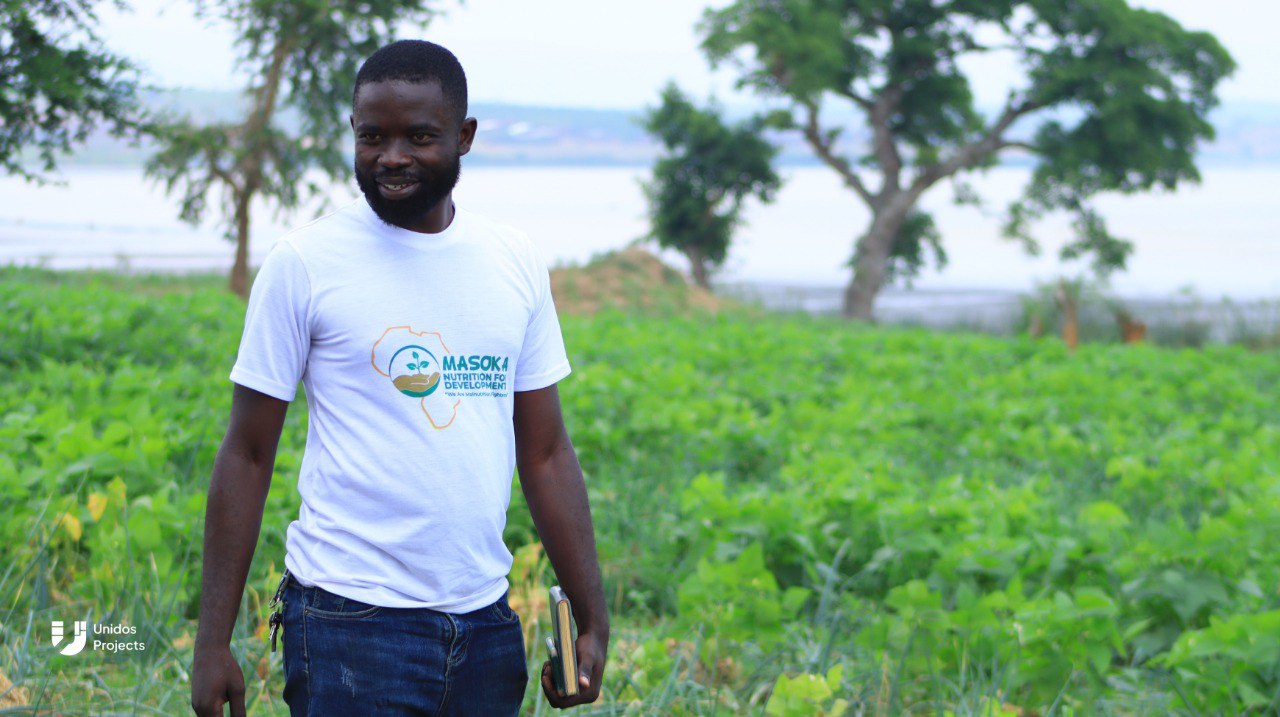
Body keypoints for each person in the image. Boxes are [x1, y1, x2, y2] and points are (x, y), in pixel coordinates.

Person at [190, 40, 608, 716]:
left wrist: (591, 617)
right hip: (347, 625)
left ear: (464, 136)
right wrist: (211, 643)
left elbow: (547, 451)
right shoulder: (305, 263)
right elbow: (247, 452)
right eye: (371, 136)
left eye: (419, 136)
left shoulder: (514, 261)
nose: (392, 156)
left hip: (486, 625)